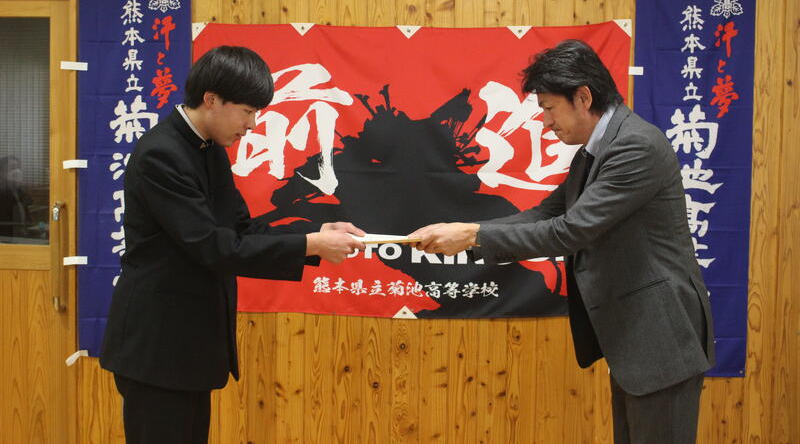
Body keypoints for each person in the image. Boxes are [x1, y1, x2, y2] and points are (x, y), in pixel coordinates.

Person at [410, 39, 714, 444]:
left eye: (550, 108)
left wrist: (472, 236)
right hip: (636, 337)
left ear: (583, 97)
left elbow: (570, 231)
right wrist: (466, 229)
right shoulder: (597, 149)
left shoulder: (635, 145)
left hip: (661, 336)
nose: (545, 122)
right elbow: (545, 214)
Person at [100, 46, 366, 444]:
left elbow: (242, 228)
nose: (253, 124)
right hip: (157, 347)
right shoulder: (162, 154)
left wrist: (315, 233)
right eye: (247, 111)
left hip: (188, 347)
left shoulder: (208, 149)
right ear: (211, 100)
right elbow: (213, 246)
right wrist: (311, 244)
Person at [0, 155, 32, 239]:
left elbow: (29, 203)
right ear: (2, 172)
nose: (17, 171)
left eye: (18, 168)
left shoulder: (18, 190)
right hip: (6, 237)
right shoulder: (2, 191)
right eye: (12, 168)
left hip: (21, 235)